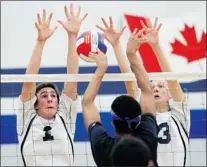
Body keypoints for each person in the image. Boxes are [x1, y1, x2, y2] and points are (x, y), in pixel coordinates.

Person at [16, 4, 87, 166]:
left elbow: (72, 78)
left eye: (53, 96)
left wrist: (73, 36)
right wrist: (40, 42)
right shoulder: (27, 117)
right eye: (44, 95)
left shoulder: (65, 115)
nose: (50, 99)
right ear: (35, 103)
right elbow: (29, 80)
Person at [81, 23, 159, 167]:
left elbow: (87, 103)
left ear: (112, 120)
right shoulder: (148, 138)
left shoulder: (102, 145)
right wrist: (132, 55)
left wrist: (101, 69)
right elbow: (147, 90)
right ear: (139, 118)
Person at [139, 18, 190, 166]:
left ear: (169, 95)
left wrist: (156, 46)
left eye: (161, 86)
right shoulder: (143, 120)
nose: (155, 88)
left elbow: (172, 80)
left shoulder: (179, 115)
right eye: (152, 87)